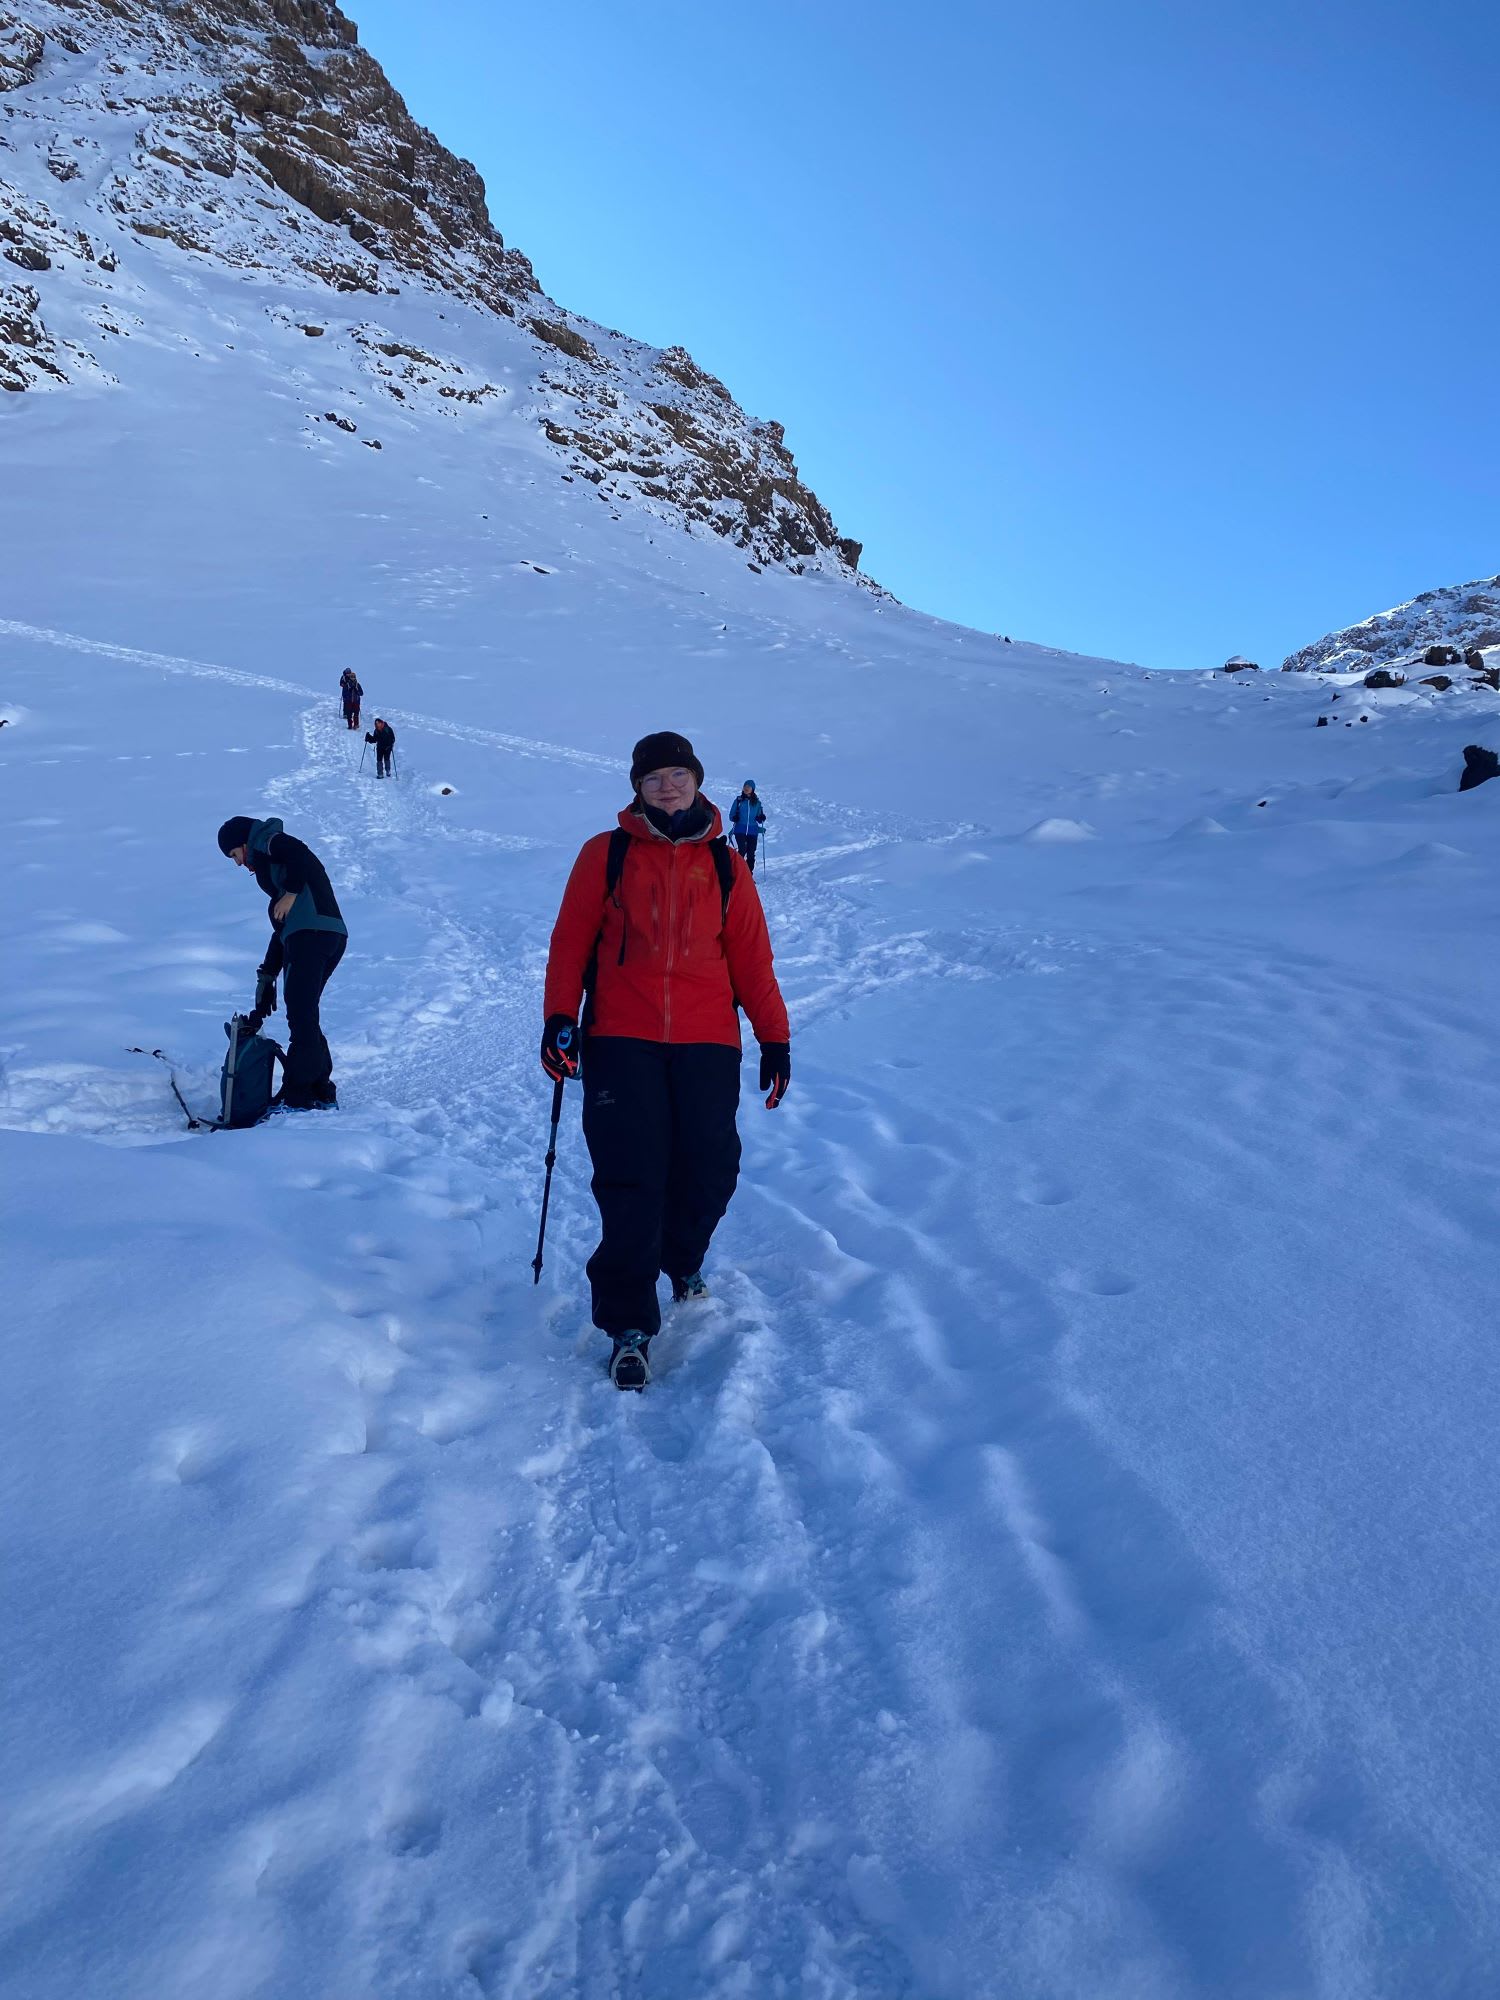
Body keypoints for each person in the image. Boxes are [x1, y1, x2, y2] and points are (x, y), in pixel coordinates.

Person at [541, 731, 791, 1389]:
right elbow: (570, 944)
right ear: (637, 788)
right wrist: (560, 1019)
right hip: (621, 1035)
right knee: (631, 1174)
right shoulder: (607, 853)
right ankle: (628, 1323)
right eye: (654, 778)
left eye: (677, 774)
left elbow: (752, 961)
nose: (667, 786)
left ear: (698, 781)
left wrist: (775, 1038)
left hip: (708, 1038)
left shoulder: (727, 865)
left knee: (711, 1164)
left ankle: (681, 1257)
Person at [217, 815, 348, 1110]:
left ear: (243, 843)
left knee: (301, 1015)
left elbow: (302, 855)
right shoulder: (272, 866)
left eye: (235, 855)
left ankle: (300, 1095)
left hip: (312, 934)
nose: (238, 864)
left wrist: (290, 893)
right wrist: (267, 977)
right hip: (321, 935)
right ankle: (319, 1089)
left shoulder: (269, 841)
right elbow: (281, 935)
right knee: (304, 1013)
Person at [728, 779, 767, 874]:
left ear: (752, 789)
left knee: (751, 853)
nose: (746, 788)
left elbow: (758, 818)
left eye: (749, 787)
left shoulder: (757, 803)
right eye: (745, 786)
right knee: (742, 850)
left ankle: (748, 875)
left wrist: (761, 818)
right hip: (740, 829)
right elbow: (731, 815)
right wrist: (735, 817)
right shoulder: (738, 801)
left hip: (752, 831)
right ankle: (737, 872)